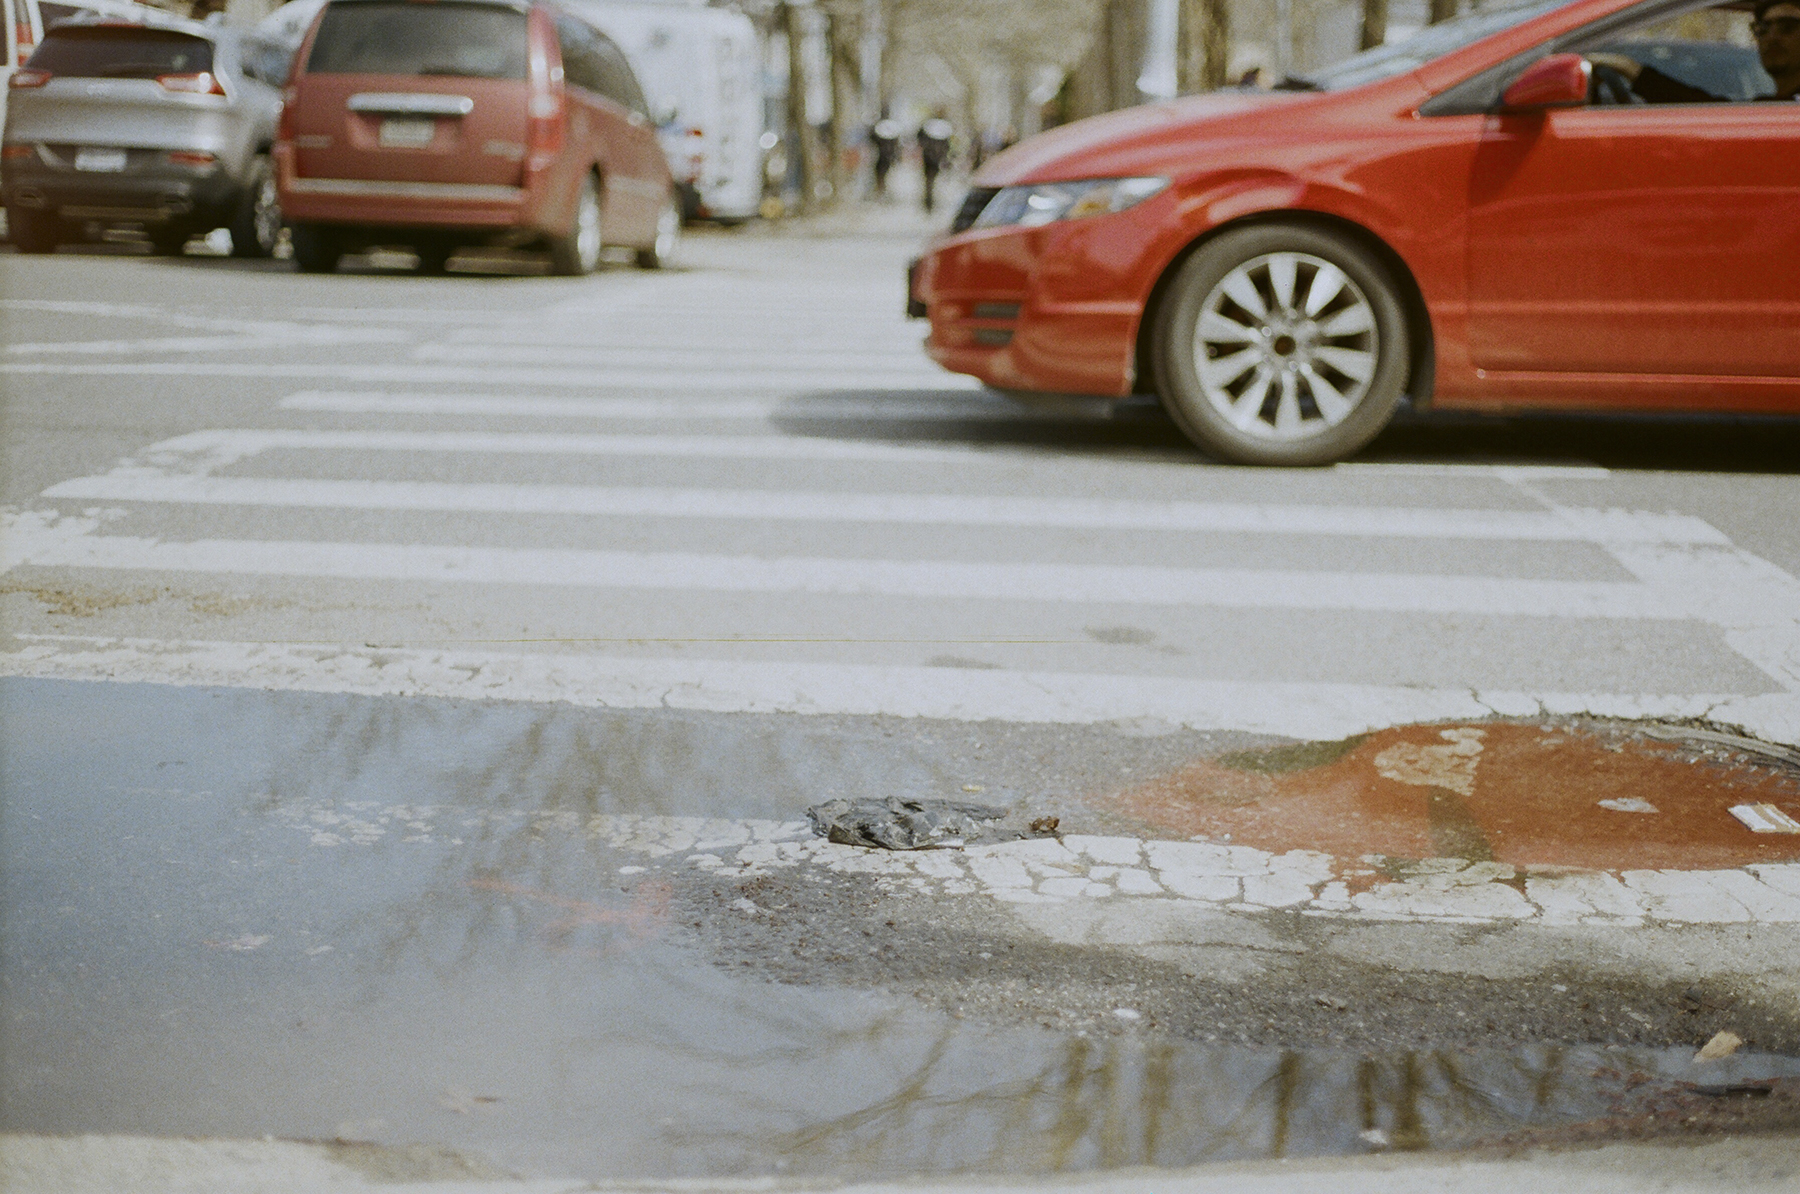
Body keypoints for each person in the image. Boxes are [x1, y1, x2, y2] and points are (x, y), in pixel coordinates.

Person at [1587, 0, 1800, 102]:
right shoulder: (1776, 106)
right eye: (1762, 29)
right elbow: (1713, 112)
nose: (1772, 37)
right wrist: (1629, 67)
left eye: (1787, 26)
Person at [917, 113, 953, 214]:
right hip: (930, 159)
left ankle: (929, 200)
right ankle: (929, 201)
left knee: (930, 181)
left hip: (933, 158)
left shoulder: (941, 128)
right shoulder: (931, 127)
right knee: (929, 181)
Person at [871, 115, 901, 199]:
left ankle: (881, 191)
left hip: (884, 157)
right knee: (881, 175)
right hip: (882, 157)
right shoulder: (882, 131)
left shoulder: (888, 131)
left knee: (882, 175)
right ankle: (881, 191)